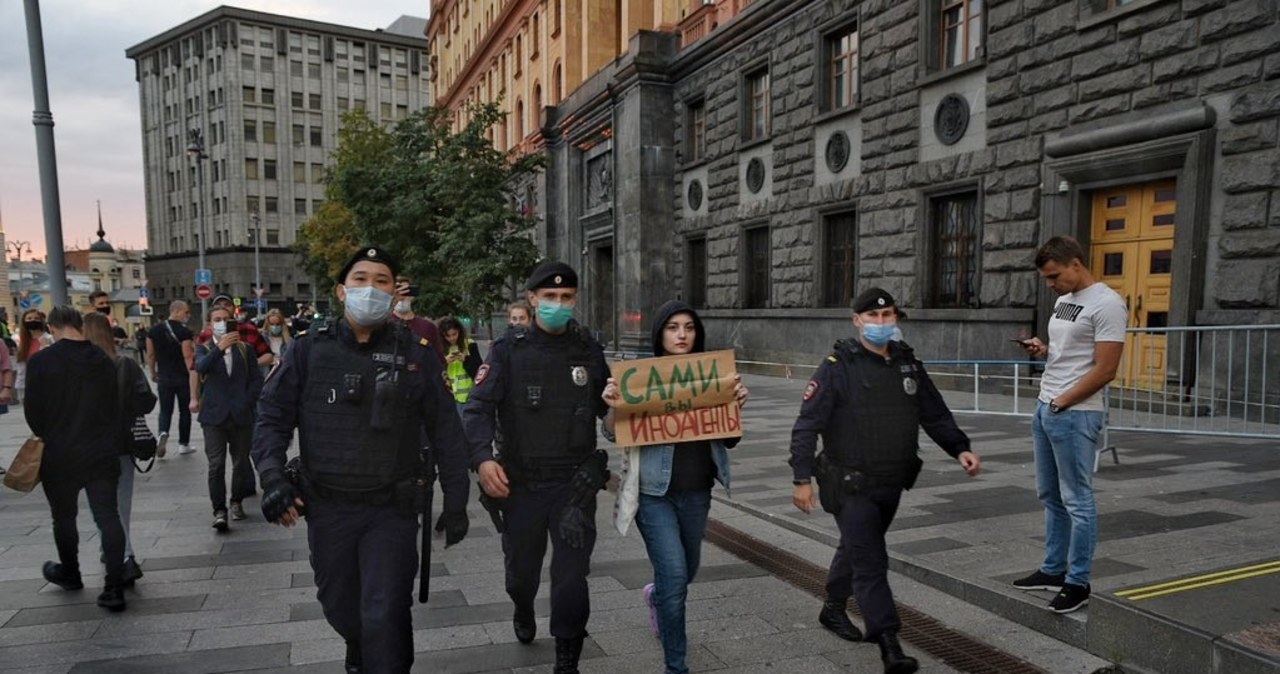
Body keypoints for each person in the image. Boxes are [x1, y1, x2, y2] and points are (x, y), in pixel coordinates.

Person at [253, 247, 470, 674]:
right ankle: (358, 644)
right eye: (360, 279)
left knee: (385, 609)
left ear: (394, 295)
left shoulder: (418, 353)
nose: (370, 288)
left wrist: (458, 499)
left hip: (391, 509)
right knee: (341, 607)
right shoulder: (307, 351)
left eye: (382, 281)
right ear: (340, 291)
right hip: (329, 507)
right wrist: (272, 477)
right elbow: (271, 418)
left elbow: (446, 428)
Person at [790, 288, 981, 674]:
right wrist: (801, 478)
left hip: (891, 481)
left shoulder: (907, 363)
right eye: (873, 317)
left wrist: (959, 447)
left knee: (858, 546)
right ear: (856, 320)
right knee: (871, 560)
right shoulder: (837, 366)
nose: (881, 323)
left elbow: (934, 411)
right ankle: (889, 643)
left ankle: (832, 607)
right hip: (848, 482)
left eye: (888, 316)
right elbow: (808, 424)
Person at [464, 261, 611, 674]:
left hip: (573, 487)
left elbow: (610, 411)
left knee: (570, 578)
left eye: (566, 298)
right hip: (521, 485)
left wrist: (623, 408)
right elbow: (476, 409)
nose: (558, 304)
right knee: (521, 575)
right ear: (532, 300)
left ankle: (567, 657)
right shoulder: (509, 349)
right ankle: (522, 605)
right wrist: (482, 458)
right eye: (549, 298)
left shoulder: (588, 349)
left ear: (575, 299)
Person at [602, 300, 749, 674]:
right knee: (675, 578)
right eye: (672, 327)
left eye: (688, 327)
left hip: (698, 493)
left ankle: (656, 598)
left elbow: (729, 440)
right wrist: (615, 406)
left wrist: (734, 407)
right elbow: (610, 430)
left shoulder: (713, 377)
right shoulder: (639, 378)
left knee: (686, 571)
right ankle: (676, 666)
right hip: (654, 495)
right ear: (659, 334)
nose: (681, 334)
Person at [1013, 236, 1126, 614]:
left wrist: (1063, 401)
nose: (1051, 285)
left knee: (1078, 499)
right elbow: (1069, 353)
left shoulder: (1107, 303)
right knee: (1050, 495)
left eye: (1055, 276)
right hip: (1048, 405)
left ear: (1076, 264)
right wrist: (1043, 350)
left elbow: (1106, 368)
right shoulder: (1064, 302)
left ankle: (1078, 583)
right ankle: (1052, 570)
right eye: (1047, 278)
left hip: (1076, 412)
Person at [24, 307, 130, 611]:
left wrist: (52, 431)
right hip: (101, 450)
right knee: (107, 517)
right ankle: (113, 586)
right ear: (79, 325)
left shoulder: (42, 361)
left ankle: (70, 572)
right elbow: (114, 406)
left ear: (54, 327)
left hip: (60, 453)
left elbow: (34, 413)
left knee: (64, 517)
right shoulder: (102, 360)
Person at [84, 312, 155, 587]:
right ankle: (121, 553)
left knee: (101, 507)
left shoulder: (80, 367)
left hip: (90, 447)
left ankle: (122, 556)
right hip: (122, 444)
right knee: (121, 504)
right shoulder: (124, 364)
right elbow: (146, 401)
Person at [197, 306, 264, 531]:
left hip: (240, 415)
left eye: (226, 319)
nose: (222, 323)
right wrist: (220, 348)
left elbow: (256, 380)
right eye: (217, 319)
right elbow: (200, 368)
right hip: (213, 417)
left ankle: (236, 501)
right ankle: (219, 510)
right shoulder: (204, 349)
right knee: (216, 465)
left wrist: (247, 400)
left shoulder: (245, 349)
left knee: (241, 463)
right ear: (209, 325)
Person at [147, 301, 196, 457]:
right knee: (184, 411)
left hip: (164, 377)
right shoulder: (184, 332)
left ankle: (163, 432)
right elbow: (188, 355)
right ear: (176, 311)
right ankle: (183, 444)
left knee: (165, 410)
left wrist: (153, 372)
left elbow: (150, 354)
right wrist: (193, 375)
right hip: (182, 377)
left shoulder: (153, 331)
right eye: (186, 312)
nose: (188, 316)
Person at [196, 295, 273, 368]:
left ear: (234, 308)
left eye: (227, 305)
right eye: (218, 305)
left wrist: (250, 365)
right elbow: (197, 365)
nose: (223, 308)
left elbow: (268, 355)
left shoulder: (249, 329)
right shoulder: (206, 334)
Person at [391, 276, 444, 365]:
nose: (401, 297)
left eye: (405, 292)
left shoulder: (427, 327)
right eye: (398, 292)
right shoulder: (383, 325)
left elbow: (438, 359)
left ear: (412, 295)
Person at [437, 316, 482, 415]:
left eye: (454, 334)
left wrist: (466, 360)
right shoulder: (439, 347)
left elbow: (479, 371)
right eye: (448, 336)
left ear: (459, 331)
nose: (452, 338)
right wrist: (444, 362)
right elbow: (434, 372)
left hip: (468, 395)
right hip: (449, 396)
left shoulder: (470, 344)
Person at [16, 309, 53, 404]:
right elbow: (21, 368)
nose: (33, 320)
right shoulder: (22, 342)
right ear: (24, 322)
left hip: (47, 386)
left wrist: (46, 346)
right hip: (28, 386)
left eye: (36, 318)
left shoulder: (50, 339)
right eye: (29, 318)